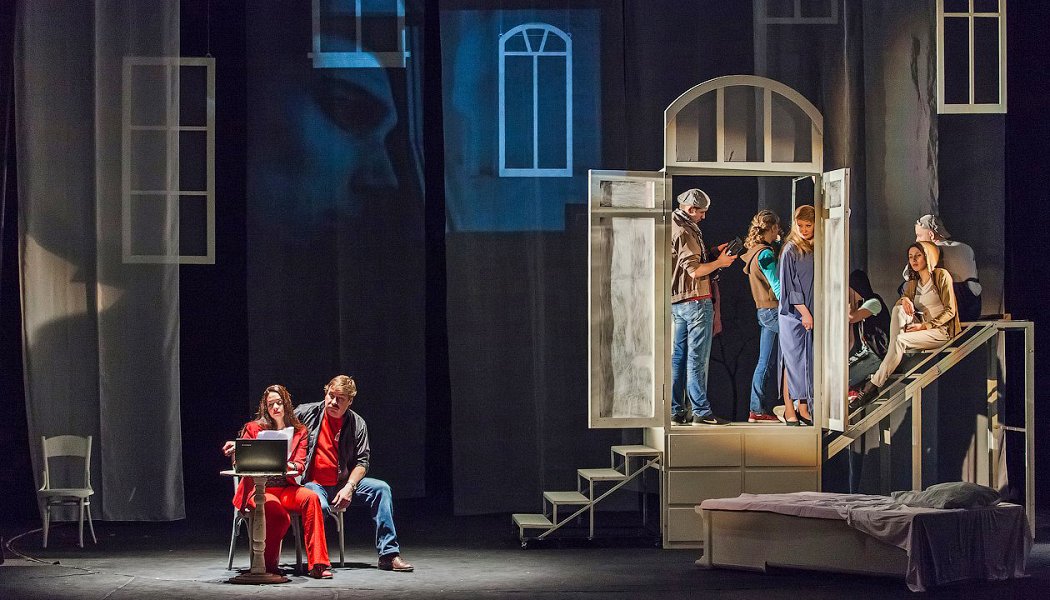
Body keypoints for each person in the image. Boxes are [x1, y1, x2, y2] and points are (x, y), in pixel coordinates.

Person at [296, 375, 414, 572]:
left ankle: (388, 555)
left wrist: (349, 487)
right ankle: (318, 561)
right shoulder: (306, 413)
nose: (333, 402)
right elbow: (274, 423)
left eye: (340, 399)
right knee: (319, 505)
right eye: (330, 395)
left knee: (381, 489)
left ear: (350, 401)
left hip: (342, 482)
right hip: (313, 484)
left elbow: (362, 462)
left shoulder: (357, 423)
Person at [229, 385, 332, 579]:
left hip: (286, 487)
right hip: (259, 489)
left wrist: (287, 463)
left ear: (286, 404)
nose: (275, 407)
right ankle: (268, 566)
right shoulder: (253, 428)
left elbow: (300, 465)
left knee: (311, 498)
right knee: (278, 514)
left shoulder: (300, 431)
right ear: (265, 407)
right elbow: (241, 461)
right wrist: (236, 451)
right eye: (270, 405)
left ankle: (318, 564)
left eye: (279, 403)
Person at [855, 242, 960, 407]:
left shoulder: (941, 275)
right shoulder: (914, 280)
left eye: (918, 255)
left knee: (900, 340)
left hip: (941, 330)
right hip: (922, 326)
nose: (914, 260)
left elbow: (950, 311)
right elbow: (904, 301)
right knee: (898, 309)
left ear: (928, 256)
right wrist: (904, 299)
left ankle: (874, 384)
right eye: (910, 257)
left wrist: (924, 326)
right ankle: (892, 358)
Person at [670, 189, 738, 426]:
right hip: (696, 301)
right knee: (696, 359)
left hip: (679, 302)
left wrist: (713, 253)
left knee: (679, 358)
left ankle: (677, 411)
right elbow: (695, 271)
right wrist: (720, 262)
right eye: (701, 212)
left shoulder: (675, 224)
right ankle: (700, 411)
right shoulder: (684, 230)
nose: (703, 217)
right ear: (691, 209)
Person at [740, 209, 782, 423]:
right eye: (777, 228)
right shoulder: (765, 254)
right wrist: (795, 306)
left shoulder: (754, 251)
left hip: (763, 310)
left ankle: (756, 410)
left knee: (764, 362)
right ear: (772, 228)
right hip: (773, 310)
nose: (778, 231)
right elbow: (776, 284)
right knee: (800, 348)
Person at [777, 205, 816, 426]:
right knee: (791, 361)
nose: (803, 230)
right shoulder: (790, 249)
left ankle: (803, 407)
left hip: (810, 312)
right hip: (793, 314)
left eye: (808, 225)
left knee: (806, 362)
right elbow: (790, 287)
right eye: (799, 225)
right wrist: (804, 312)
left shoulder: (815, 248)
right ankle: (789, 408)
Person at [910, 214, 981, 321]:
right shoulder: (966, 248)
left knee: (907, 286)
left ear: (931, 235)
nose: (916, 240)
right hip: (972, 308)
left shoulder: (929, 251)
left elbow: (907, 275)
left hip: (950, 308)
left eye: (919, 235)